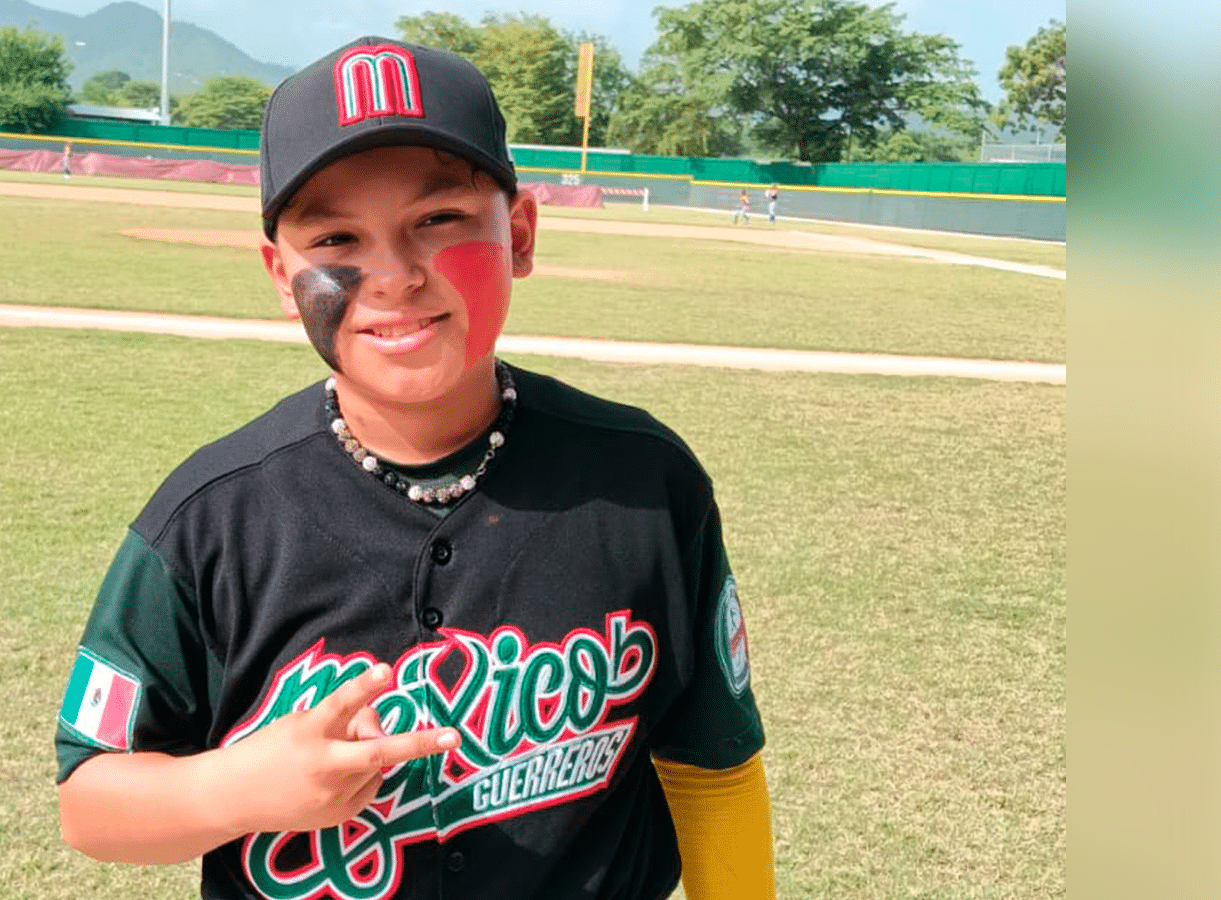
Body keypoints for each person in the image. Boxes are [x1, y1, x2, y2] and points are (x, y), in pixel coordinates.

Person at [54, 36, 775, 900]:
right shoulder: (213, 520)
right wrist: (239, 786)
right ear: (282, 277)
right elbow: (90, 801)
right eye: (336, 237)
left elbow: (711, 765)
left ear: (522, 233)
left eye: (438, 220)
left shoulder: (646, 484)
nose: (393, 276)